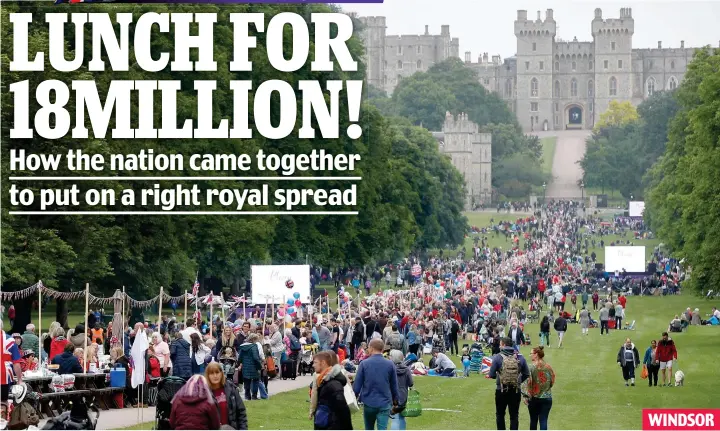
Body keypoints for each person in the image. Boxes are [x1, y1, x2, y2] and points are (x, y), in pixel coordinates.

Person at [353, 338, 399, 430]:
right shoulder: (390, 364)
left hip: (369, 401)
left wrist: (354, 399)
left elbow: (357, 386)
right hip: (385, 402)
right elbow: (394, 385)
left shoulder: (364, 364)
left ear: (371, 348)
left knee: (369, 428)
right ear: (382, 349)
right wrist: (396, 401)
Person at [488, 337, 530, 430]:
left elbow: (491, 375)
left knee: (500, 414)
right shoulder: (520, 357)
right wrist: (517, 381)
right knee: (514, 415)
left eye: (500, 344)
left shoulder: (498, 357)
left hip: (501, 389)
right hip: (515, 390)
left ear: (503, 345)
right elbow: (526, 373)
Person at [309, 351, 353, 430]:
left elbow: (343, 410)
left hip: (331, 424)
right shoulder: (323, 381)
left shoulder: (333, 385)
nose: (313, 365)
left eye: (315, 362)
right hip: (324, 421)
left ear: (323, 363)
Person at [205, 362, 248, 430]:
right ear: (208, 375)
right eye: (212, 373)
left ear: (221, 373)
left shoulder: (231, 388)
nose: (215, 376)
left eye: (217, 372)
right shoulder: (204, 393)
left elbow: (241, 412)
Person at [522, 346, 555, 430]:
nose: (530, 355)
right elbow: (552, 380)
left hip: (534, 398)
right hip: (547, 397)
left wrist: (526, 396)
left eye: (531, 353)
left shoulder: (531, 367)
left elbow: (528, 382)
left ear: (536, 354)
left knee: (533, 421)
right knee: (543, 421)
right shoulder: (548, 367)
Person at [388, 350, 413, 431]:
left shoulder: (390, 369)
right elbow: (411, 383)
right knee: (402, 417)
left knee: (394, 418)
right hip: (403, 396)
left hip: (393, 396)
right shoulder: (407, 369)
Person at [238, 333, 263, 401]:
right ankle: (254, 396)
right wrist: (259, 367)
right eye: (256, 339)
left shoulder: (243, 347)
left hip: (245, 367)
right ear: (254, 339)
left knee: (246, 382)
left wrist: (238, 365)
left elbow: (240, 358)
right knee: (255, 381)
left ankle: (247, 396)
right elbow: (256, 358)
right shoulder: (254, 346)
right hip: (254, 367)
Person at [2, 325, 23, 400]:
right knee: (3, 401)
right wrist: (19, 379)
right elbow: (16, 363)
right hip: (4, 375)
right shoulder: (10, 341)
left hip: (5, 374)